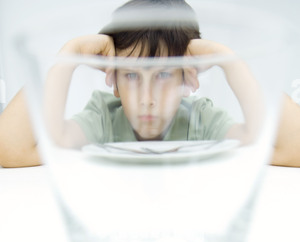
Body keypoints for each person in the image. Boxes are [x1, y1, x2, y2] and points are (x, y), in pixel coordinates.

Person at [0, 0, 299, 168]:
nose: (147, 98)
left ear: (188, 78)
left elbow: (292, 148)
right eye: (131, 75)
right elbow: (11, 149)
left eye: (164, 75)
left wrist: (229, 59)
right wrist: (67, 56)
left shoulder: (199, 119)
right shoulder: (105, 115)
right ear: (113, 81)